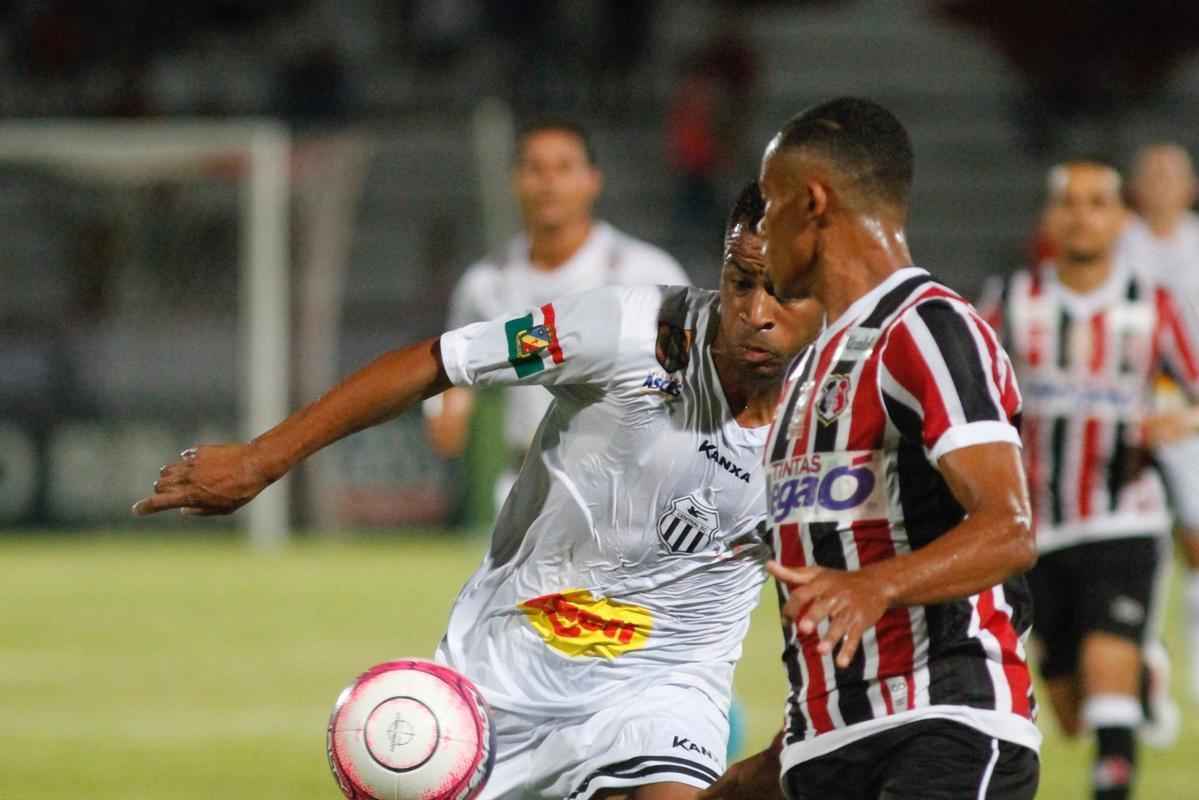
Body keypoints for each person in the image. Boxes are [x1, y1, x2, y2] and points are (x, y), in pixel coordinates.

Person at [132, 183, 823, 800]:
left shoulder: (837, 432)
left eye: (783, 292)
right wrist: (263, 458)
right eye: (740, 282)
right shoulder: (625, 329)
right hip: (505, 668)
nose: (754, 312)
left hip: (662, 686)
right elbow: (437, 362)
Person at [703, 97, 1040, 800]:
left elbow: (1008, 529)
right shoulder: (809, 370)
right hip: (827, 749)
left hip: (943, 727)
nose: (762, 227)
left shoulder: (927, 328)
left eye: (770, 204)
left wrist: (876, 585)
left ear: (812, 202)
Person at [984, 159, 1199, 799]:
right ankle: (1142, 674)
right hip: (1036, 531)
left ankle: (1122, 716)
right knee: (1071, 712)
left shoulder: (1152, 307)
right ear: (1050, 218)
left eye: (1098, 202)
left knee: (1107, 696)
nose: (1082, 215)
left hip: (1123, 518)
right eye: (1069, 202)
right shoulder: (1011, 301)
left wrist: (1179, 421)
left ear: (1120, 218)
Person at [426, 116, 689, 513]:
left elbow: (694, 372)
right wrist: (445, 411)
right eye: (535, 168)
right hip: (528, 484)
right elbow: (453, 374)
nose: (549, 182)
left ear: (592, 180)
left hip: (627, 488)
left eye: (563, 168)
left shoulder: (645, 273)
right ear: (515, 181)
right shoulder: (487, 283)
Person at [1124, 142, 1199, 703]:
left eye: (1171, 175)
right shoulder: (1118, 243)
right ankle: (1146, 673)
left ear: (1191, 186)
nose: (1161, 184)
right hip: (1131, 414)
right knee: (1138, 546)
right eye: (1151, 174)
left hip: (1192, 413)